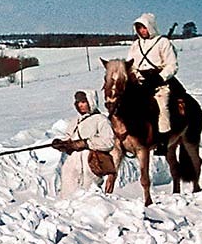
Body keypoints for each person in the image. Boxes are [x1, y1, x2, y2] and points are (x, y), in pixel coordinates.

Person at [126, 12, 177, 154]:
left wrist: (160, 77)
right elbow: (131, 64)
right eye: (139, 28)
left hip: (158, 82)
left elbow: (172, 65)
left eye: (144, 28)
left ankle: (163, 141)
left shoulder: (163, 42)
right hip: (140, 82)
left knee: (162, 107)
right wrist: (135, 76)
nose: (142, 31)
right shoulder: (136, 45)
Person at [52, 91, 116, 197]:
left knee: (88, 197)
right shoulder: (75, 121)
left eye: (83, 102)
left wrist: (86, 143)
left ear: (91, 102)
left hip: (91, 162)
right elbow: (69, 138)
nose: (80, 105)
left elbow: (109, 142)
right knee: (68, 197)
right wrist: (62, 144)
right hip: (72, 163)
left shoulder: (101, 120)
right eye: (78, 102)